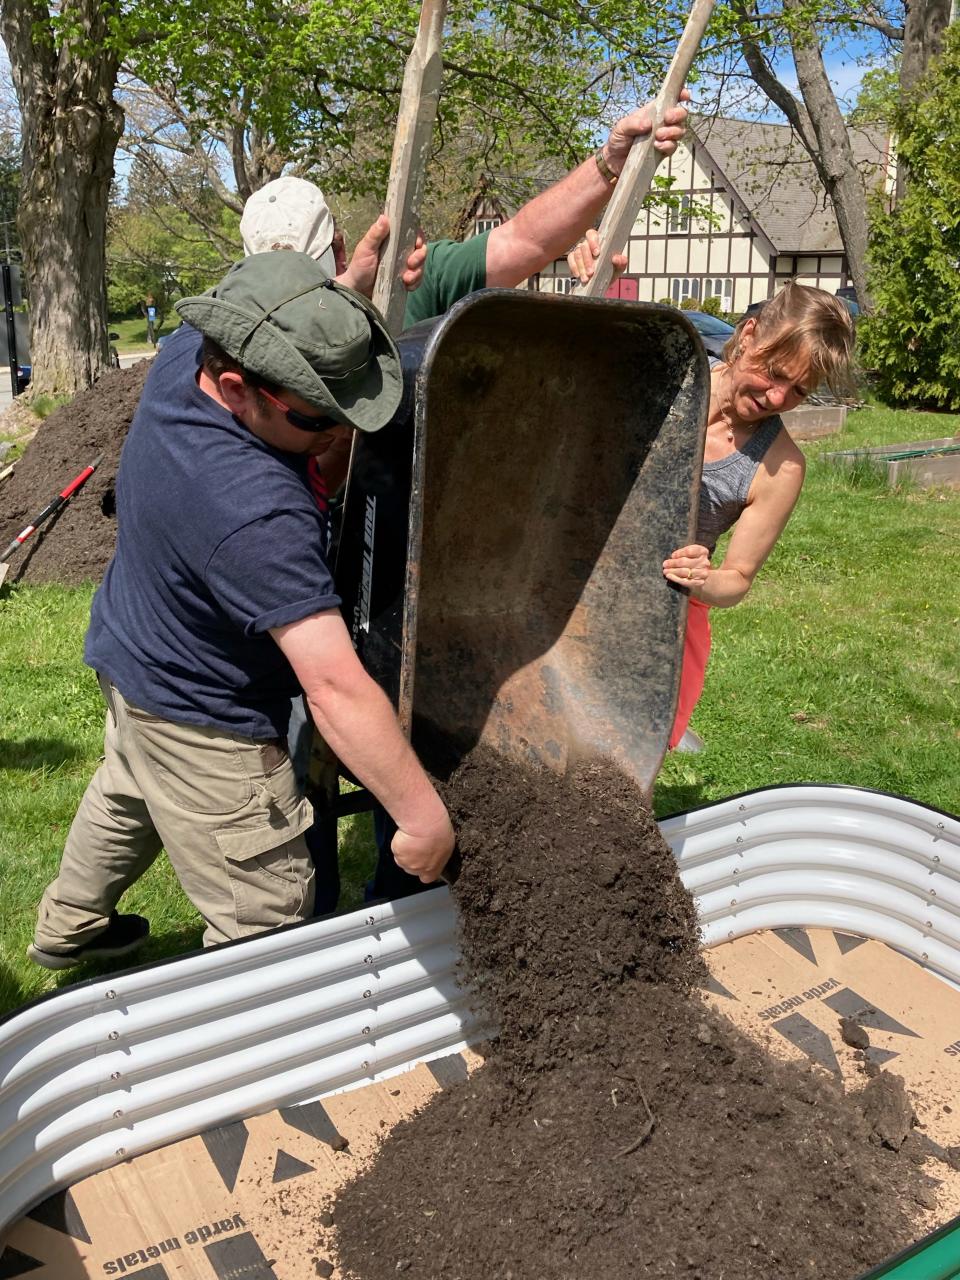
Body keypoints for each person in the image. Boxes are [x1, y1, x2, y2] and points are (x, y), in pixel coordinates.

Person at [240, 99, 690, 906]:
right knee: (310, 737)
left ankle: (408, 893)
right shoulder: (252, 337)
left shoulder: (414, 282)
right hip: (312, 562)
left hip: (437, 568)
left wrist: (610, 161)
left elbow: (523, 240)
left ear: (341, 249)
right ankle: (310, 900)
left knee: (407, 738)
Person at [28, 252, 455, 970]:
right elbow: (333, 686)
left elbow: (277, 328)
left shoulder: (180, 358)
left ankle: (66, 930)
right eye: (320, 417)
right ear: (236, 387)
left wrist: (335, 310)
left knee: (129, 790)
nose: (340, 433)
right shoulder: (254, 512)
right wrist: (420, 815)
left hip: (134, 656)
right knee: (269, 909)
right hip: (206, 713)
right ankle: (253, 1061)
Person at [570, 239, 855, 750]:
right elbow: (575, 369)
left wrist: (702, 581)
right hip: (574, 581)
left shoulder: (779, 466)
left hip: (662, 620)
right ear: (749, 335)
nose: (776, 398)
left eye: (798, 392)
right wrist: (590, 280)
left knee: (619, 765)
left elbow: (738, 580)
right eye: (774, 373)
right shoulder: (666, 371)